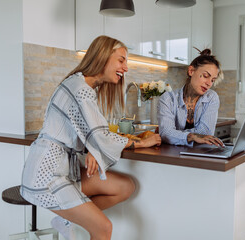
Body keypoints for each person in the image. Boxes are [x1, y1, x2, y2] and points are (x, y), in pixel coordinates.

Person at [20, 35, 161, 240]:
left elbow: (90, 132)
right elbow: (101, 136)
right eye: (121, 60)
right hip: (47, 174)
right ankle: (72, 219)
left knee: (125, 187)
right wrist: (140, 143)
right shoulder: (82, 89)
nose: (126, 67)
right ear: (103, 56)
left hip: (65, 169)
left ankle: (67, 220)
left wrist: (93, 148)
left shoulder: (80, 83)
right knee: (103, 228)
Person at [158, 48, 224, 147]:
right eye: (205, 76)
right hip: (173, 156)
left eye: (213, 80)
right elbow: (166, 133)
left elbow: (206, 132)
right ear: (191, 71)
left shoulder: (211, 97)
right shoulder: (167, 99)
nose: (209, 83)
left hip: (200, 154)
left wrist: (176, 134)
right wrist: (192, 136)